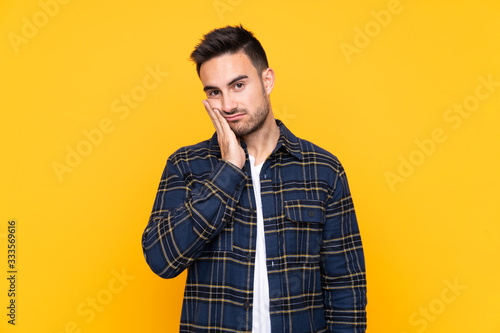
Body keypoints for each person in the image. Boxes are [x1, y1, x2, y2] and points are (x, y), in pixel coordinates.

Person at [142, 25, 367, 333]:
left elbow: (346, 287)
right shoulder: (186, 166)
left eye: (238, 85)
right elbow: (161, 259)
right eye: (214, 92)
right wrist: (228, 171)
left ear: (267, 80)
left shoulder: (322, 169)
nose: (227, 105)